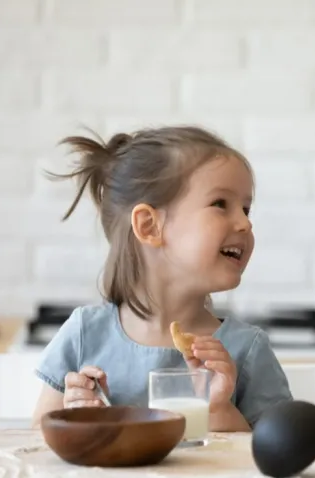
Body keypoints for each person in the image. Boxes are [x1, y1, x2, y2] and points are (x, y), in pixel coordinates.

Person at [31, 126, 292, 430]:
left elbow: (278, 453)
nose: (245, 223)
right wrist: (75, 417)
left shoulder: (246, 350)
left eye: (246, 209)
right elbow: (38, 440)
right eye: (220, 204)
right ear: (149, 227)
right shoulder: (83, 335)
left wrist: (218, 409)